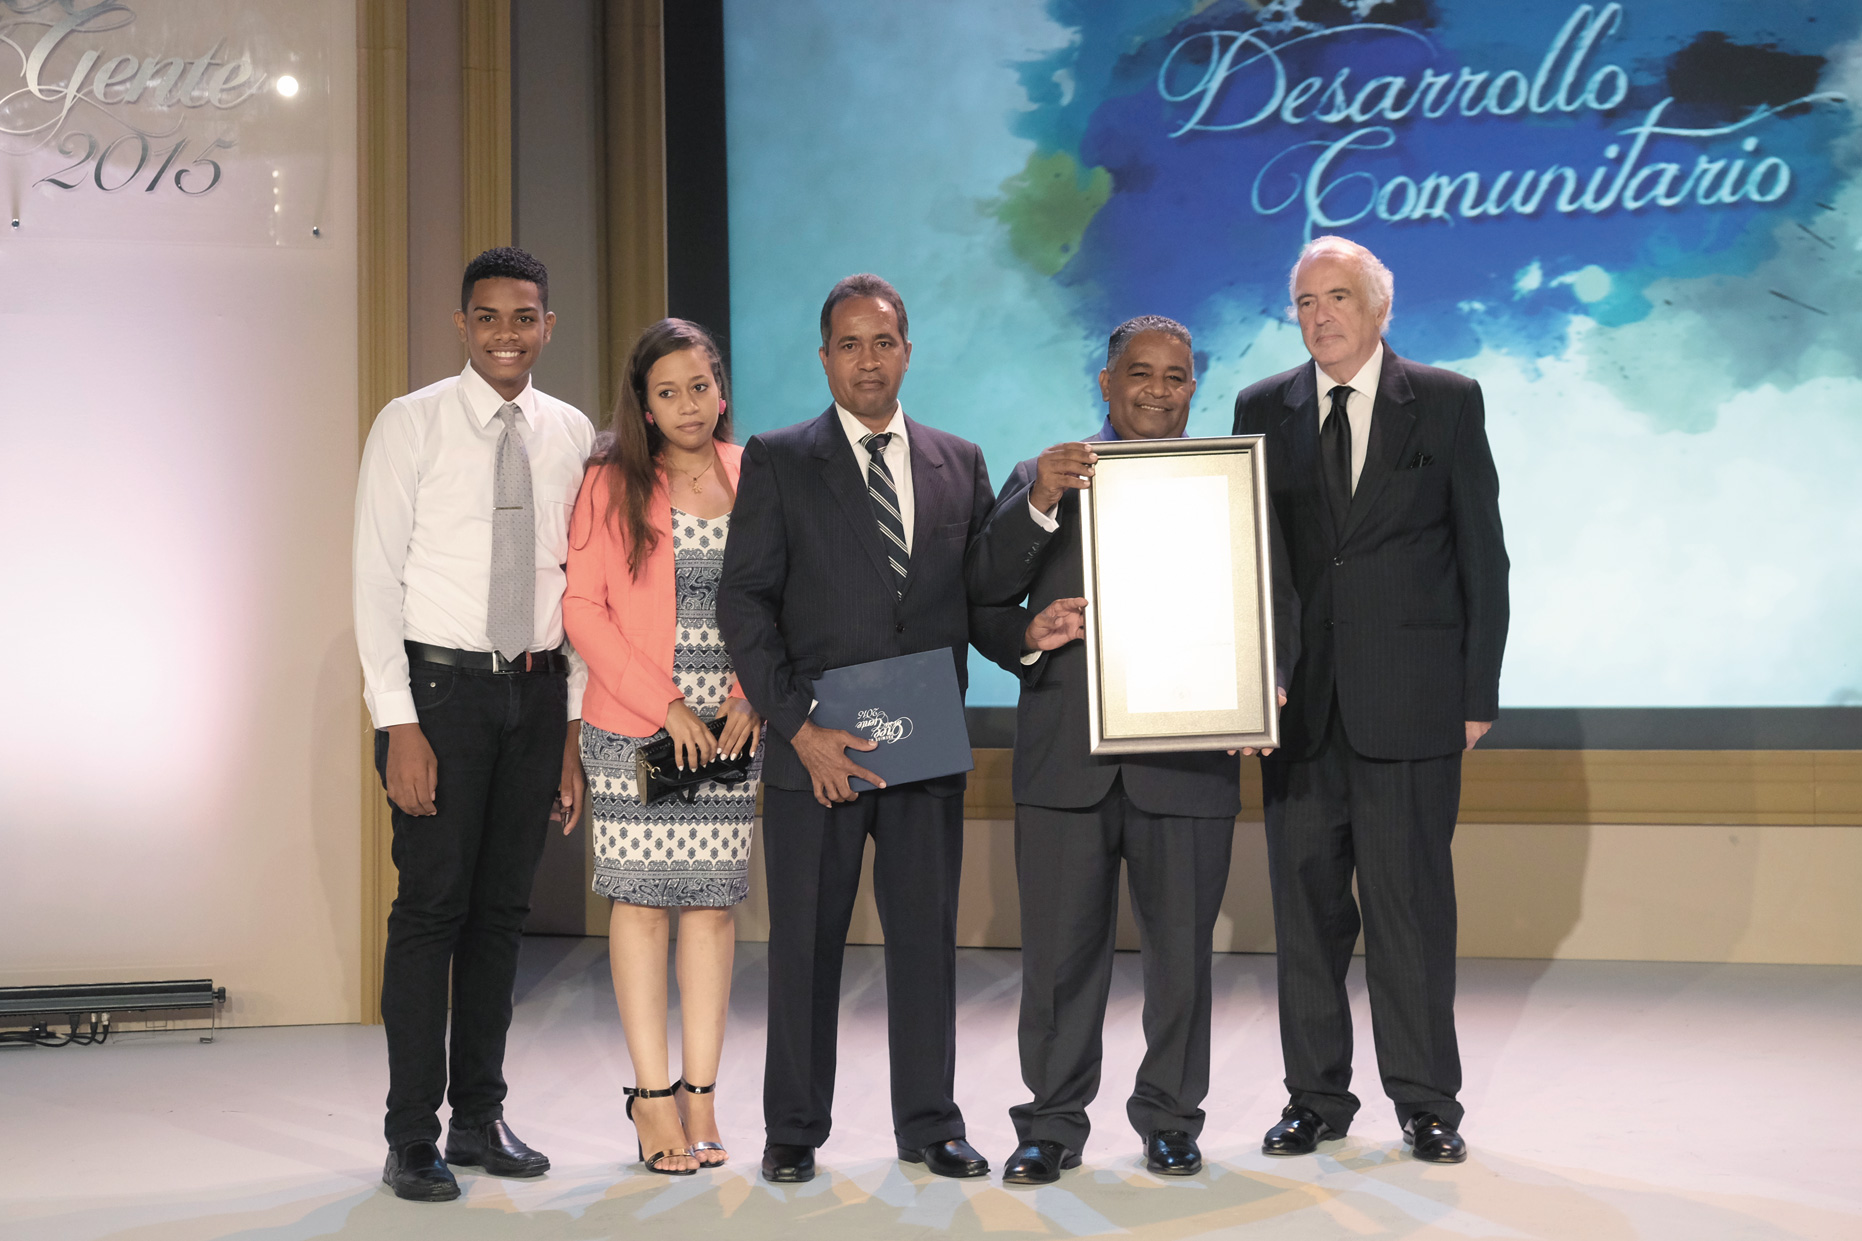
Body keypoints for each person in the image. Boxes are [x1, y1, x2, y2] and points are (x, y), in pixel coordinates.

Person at [965, 316, 1299, 1185]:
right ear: (1105, 383)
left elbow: (1279, 605)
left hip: (1187, 761)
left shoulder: (1230, 485)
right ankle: (1050, 1123)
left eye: (1176, 376)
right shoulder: (1046, 478)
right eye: (1139, 373)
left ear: (1196, 388)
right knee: (1059, 960)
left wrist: (1267, 680)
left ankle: (1170, 1118)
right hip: (1064, 765)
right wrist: (1037, 525)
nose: (1157, 389)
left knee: (1183, 956)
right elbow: (986, 596)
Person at [717, 273, 1026, 1185]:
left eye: (882, 341)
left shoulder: (957, 460)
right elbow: (744, 600)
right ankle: (794, 1129)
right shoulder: (779, 457)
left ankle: (930, 1121)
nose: (866, 359)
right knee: (806, 943)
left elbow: (975, 602)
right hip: (816, 748)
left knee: (926, 939)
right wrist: (798, 724)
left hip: (923, 745)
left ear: (906, 350)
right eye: (847, 344)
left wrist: (1034, 638)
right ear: (824, 358)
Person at [1231, 236, 1509, 1164]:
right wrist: (1244, 687)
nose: (1321, 317)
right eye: (1306, 302)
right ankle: (1315, 1096)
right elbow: (1250, 563)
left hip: (1414, 708)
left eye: (1338, 298)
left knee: (1410, 913)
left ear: (1379, 309)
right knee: (1306, 912)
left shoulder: (1446, 400)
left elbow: (1483, 556)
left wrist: (1477, 696)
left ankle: (1428, 1101)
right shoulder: (1260, 408)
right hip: (1301, 712)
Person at [354, 246, 592, 1202]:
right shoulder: (408, 424)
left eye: (524, 317)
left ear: (547, 327)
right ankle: (411, 1132)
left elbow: (575, 590)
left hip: (535, 695)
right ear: (462, 326)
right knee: (431, 910)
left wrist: (570, 730)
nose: (506, 333)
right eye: (488, 317)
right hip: (439, 695)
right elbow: (374, 578)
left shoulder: (572, 431)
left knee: (502, 915)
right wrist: (397, 720)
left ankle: (479, 1116)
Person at [562, 319, 761, 1176]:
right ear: (642, 403)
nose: (688, 405)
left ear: (721, 388)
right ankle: (651, 1100)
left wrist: (749, 695)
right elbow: (582, 610)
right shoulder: (610, 482)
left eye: (701, 386)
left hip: (730, 730)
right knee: (643, 908)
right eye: (668, 391)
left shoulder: (756, 471)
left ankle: (703, 1095)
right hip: (640, 728)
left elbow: (778, 596)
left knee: (712, 910)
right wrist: (668, 703)